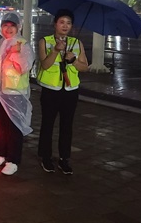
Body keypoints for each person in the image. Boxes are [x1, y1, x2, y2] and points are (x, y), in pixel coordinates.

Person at [37, 9, 88, 175]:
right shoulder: (45, 41)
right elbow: (45, 64)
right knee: (47, 124)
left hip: (70, 90)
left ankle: (64, 159)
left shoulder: (76, 43)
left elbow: (85, 67)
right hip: (50, 90)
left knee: (67, 126)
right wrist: (56, 51)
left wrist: (72, 60)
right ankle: (46, 157)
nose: (65, 26)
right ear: (55, 24)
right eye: (62, 22)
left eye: (68, 22)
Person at [0, 12, 34, 176]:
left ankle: (13, 160)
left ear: (18, 27)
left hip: (15, 94)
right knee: (0, 126)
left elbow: (23, 67)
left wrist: (15, 52)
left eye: (12, 26)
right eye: (5, 25)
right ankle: (2, 154)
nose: (8, 29)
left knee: (14, 128)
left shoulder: (23, 45)